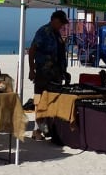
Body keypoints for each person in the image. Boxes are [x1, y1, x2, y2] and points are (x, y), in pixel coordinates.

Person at [28, 10, 69, 141]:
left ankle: (49, 129)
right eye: (61, 23)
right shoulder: (43, 31)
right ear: (55, 20)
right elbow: (32, 50)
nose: (62, 26)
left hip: (56, 73)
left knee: (53, 101)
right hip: (43, 73)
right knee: (39, 101)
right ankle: (37, 130)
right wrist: (32, 69)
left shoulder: (57, 33)